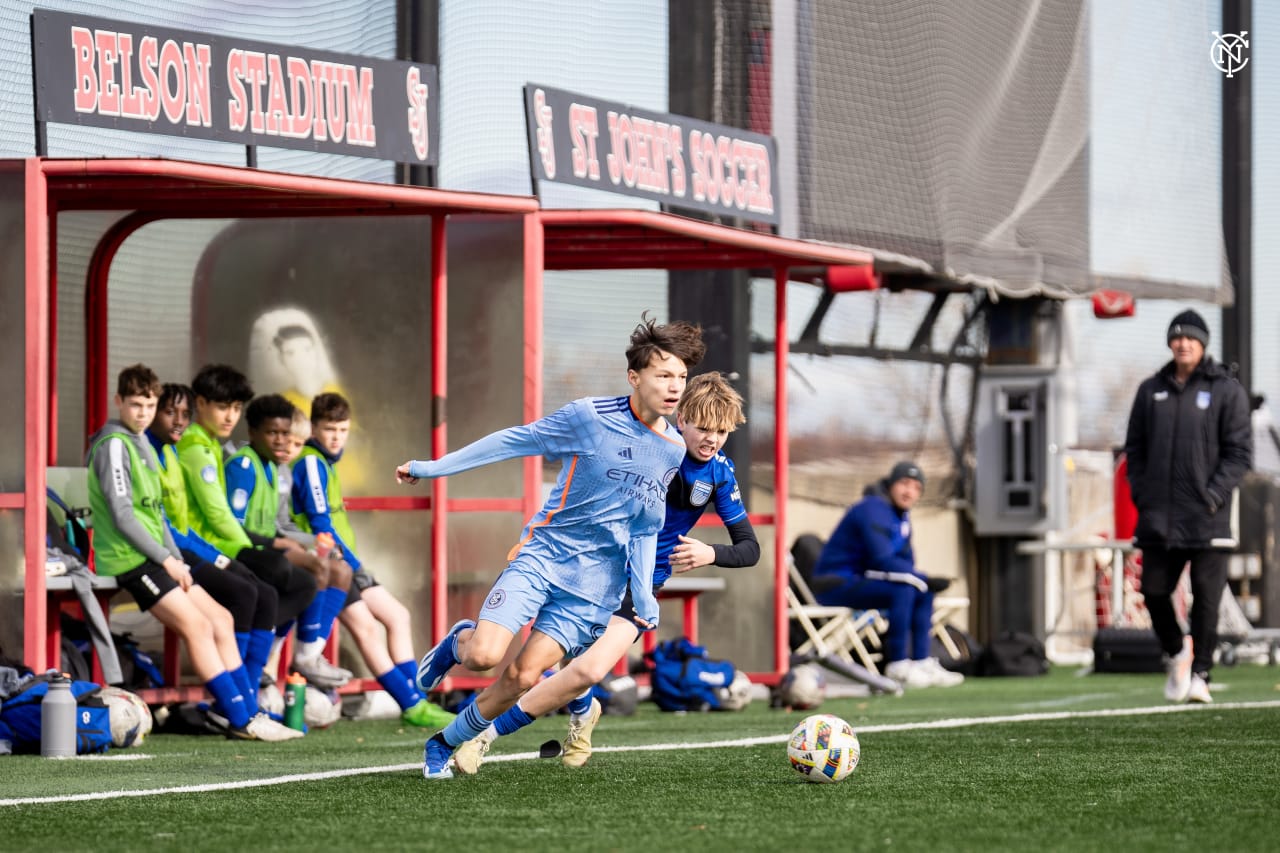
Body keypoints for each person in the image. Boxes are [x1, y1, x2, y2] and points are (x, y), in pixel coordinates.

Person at [397, 314, 705, 779]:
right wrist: (432, 467)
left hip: (594, 589)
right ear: (634, 376)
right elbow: (513, 441)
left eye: (681, 376)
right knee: (482, 657)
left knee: (523, 677)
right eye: (664, 374)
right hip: (544, 557)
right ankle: (456, 643)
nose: (674, 386)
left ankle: (443, 743)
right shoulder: (588, 418)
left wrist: (643, 598)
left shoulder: (673, 450)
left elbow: (645, 527)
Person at [451, 371, 759, 775]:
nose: (712, 439)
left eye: (721, 431)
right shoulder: (644, 446)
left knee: (588, 669)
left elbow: (749, 548)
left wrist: (710, 552)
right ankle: (582, 712)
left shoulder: (719, 472)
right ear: (680, 417)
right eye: (703, 427)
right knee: (553, 666)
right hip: (590, 569)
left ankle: (483, 736)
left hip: (643, 583)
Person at [86, 364, 298, 741]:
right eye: (135, 404)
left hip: (157, 558)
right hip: (130, 560)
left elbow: (158, 517)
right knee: (199, 626)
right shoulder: (114, 443)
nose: (143, 413)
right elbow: (121, 515)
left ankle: (249, 710)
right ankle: (240, 719)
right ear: (118, 401)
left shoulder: (141, 446)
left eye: (149, 405)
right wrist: (167, 558)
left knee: (221, 619)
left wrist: (175, 559)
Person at [290, 392, 455, 728]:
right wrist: (349, 563)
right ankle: (412, 703)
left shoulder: (327, 462)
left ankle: (417, 699)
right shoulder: (309, 461)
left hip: (347, 562)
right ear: (314, 428)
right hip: (332, 563)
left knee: (397, 616)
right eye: (329, 429)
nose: (336, 437)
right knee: (368, 628)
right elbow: (320, 523)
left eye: (343, 429)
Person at [1123, 309, 1252, 704]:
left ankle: (1201, 675)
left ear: (1202, 344)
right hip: (1158, 518)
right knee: (1154, 591)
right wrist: (1143, 496)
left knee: (1207, 599)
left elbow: (1239, 454)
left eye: (1190, 338)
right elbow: (1135, 450)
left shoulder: (1226, 390)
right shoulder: (1150, 391)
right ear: (1170, 343)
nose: (1182, 344)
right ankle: (1178, 650)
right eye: (1176, 337)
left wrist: (1212, 496)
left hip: (1207, 519)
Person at [146, 382, 284, 716]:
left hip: (188, 548)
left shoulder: (173, 450)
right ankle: (238, 707)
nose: (179, 421)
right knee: (245, 595)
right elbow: (202, 517)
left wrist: (217, 555)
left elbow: (180, 526)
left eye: (184, 414)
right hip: (159, 556)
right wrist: (234, 550)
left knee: (264, 593)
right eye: (170, 412)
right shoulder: (178, 449)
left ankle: (247, 698)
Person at [176, 364, 319, 668]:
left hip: (218, 545)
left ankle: (256, 678)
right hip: (205, 546)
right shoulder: (197, 449)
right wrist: (259, 547)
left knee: (285, 588)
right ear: (200, 403)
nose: (230, 416)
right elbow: (218, 514)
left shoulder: (209, 445)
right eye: (223, 407)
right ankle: (243, 686)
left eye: (236, 408)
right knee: (259, 591)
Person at [225, 394, 354, 689]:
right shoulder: (243, 466)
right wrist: (284, 544)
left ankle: (307, 654)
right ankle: (285, 657)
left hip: (265, 546)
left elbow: (279, 524)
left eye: (289, 437)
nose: (284, 443)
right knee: (315, 570)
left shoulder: (277, 468)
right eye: (275, 434)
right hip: (244, 550)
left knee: (337, 570)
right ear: (254, 432)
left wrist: (306, 540)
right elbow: (235, 525)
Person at [811, 461, 962, 689]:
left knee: (923, 591)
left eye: (916, 487)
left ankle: (922, 662)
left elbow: (905, 561)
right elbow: (880, 560)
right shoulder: (872, 508)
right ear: (891, 484)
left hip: (861, 580)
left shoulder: (900, 516)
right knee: (904, 590)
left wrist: (923, 580)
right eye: (904, 483)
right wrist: (921, 577)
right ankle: (897, 664)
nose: (909, 491)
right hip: (835, 584)